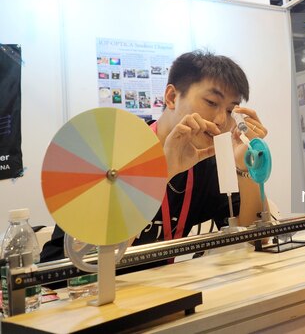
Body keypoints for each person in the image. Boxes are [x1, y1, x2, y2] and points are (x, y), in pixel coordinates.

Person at [41, 50, 267, 262]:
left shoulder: (208, 163)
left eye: (230, 110)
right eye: (211, 102)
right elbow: (78, 264)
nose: (220, 120)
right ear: (171, 97)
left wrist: (245, 166)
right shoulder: (108, 154)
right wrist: (162, 175)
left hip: (165, 292)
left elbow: (253, 240)